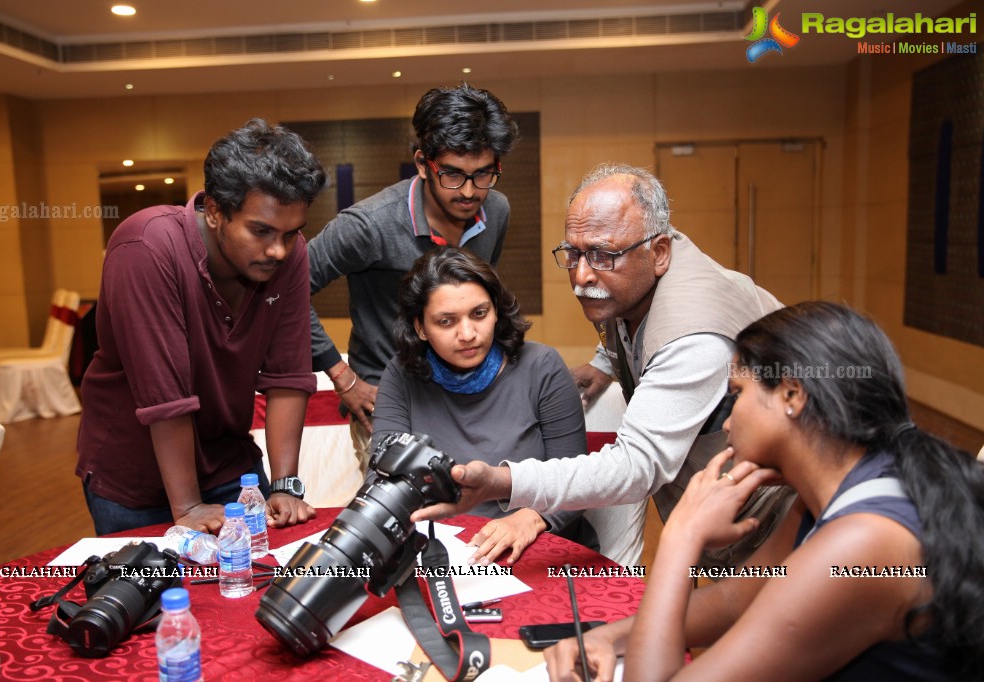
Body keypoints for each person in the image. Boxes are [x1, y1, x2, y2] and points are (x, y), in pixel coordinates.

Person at [545, 302, 984, 681]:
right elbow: (735, 598)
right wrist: (609, 635)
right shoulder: (835, 490)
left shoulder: (864, 544)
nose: (730, 422)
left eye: (737, 394)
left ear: (792, 394)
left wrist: (682, 537)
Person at [414, 163, 787, 570]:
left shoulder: (693, 336)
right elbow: (630, 322)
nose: (581, 275)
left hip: (779, 524)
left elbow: (635, 467)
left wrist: (503, 482)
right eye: (573, 253)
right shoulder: (635, 266)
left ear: (659, 252)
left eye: (601, 255)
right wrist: (604, 364)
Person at [76, 119, 327, 536]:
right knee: (160, 599)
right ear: (214, 211)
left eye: (292, 232)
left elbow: (287, 377)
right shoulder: (146, 248)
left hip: (231, 467)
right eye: (261, 230)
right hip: (137, 481)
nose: (279, 250)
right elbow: (165, 396)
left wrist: (285, 486)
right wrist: (189, 506)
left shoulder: (288, 254)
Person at [307, 83, 519, 472]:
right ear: (423, 164)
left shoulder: (498, 210)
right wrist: (344, 378)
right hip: (389, 398)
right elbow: (285, 291)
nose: (470, 192)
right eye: (453, 175)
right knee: (401, 518)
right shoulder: (368, 224)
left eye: (484, 174)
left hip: (465, 393)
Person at [372, 247, 595, 563]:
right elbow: (382, 476)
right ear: (420, 327)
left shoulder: (541, 366)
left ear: (497, 312)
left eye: (479, 314)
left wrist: (532, 517)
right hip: (442, 550)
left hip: (537, 545)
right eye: (446, 321)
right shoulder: (400, 375)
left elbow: (579, 479)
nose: (468, 334)